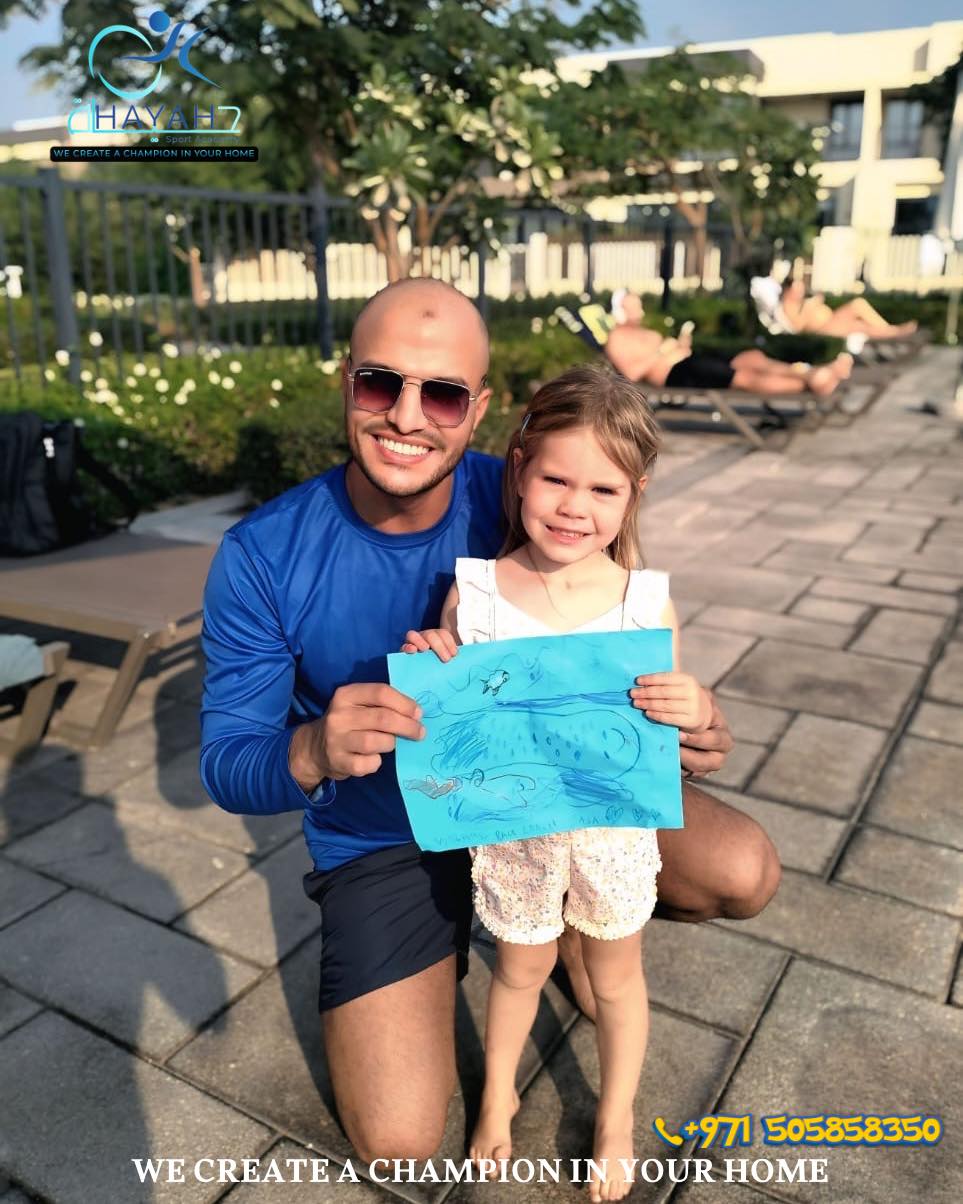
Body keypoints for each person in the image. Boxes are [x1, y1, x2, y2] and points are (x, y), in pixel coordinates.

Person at [200, 278, 780, 1165]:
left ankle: (576, 931)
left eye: (438, 393)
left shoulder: (535, 496)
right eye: (377, 383)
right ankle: (501, 938)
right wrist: (312, 748)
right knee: (396, 1138)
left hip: (556, 795)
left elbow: (624, 640)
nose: (405, 416)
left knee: (742, 870)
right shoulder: (264, 553)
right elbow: (227, 762)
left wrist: (691, 727)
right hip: (385, 834)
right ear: (344, 378)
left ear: (478, 411)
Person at [400, 363, 714, 1200]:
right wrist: (436, 667)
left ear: (633, 495)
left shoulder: (642, 605)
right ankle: (498, 1095)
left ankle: (615, 1118)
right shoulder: (477, 594)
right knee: (517, 971)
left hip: (611, 838)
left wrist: (690, 703)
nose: (575, 507)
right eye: (556, 479)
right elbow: (453, 722)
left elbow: (669, 725)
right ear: (519, 470)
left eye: (603, 490)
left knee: (616, 979)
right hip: (515, 835)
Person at [606, 288, 853, 398]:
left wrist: (680, 345)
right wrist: (662, 351)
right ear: (619, 311)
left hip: (689, 361)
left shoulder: (645, 332)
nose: (640, 310)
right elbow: (632, 374)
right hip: (677, 373)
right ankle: (810, 384)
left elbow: (671, 351)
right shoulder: (617, 340)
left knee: (751, 357)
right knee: (742, 376)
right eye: (633, 306)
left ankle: (808, 373)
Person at [779, 279, 918, 340]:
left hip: (830, 322)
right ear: (787, 291)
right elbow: (798, 328)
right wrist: (809, 308)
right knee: (858, 306)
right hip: (822, 330)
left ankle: (892, 332)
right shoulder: (788, 306)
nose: (800, 293)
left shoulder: (799, 303)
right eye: (797, 290)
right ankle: (892, 332)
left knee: (859, 322)